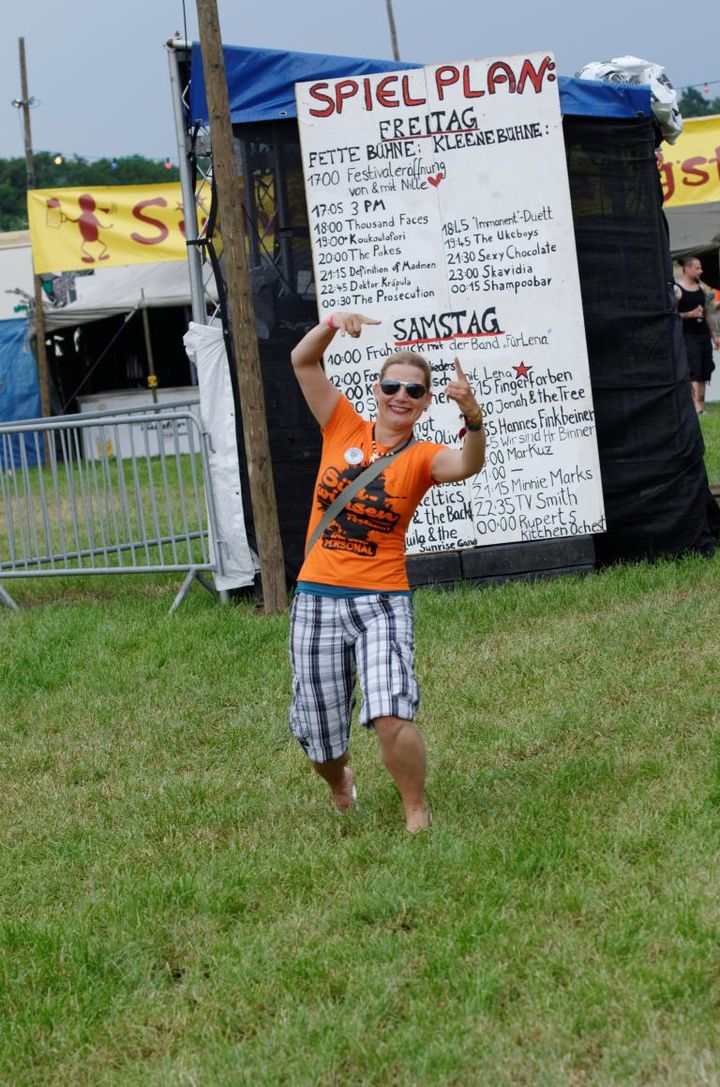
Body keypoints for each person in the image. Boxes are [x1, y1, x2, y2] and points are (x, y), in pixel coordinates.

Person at [288, 311, 486, 832]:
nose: (401, 396)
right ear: (376, 390)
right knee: (320, 736)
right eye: (392, 386)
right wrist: (333, 323)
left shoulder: (423, 457)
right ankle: (338, 781)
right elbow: (303, 360)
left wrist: (473, 418)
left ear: (425, 402)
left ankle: (415, 809)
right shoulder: (342, 424)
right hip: (316, 597)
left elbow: (467, 465)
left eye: (414, 391)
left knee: (391, 711)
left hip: (381, 599)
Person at [674, 256, 720, 415]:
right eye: (697, 268)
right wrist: (689, 314)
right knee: (694, 371)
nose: (701, 271)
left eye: (701, 268)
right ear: (687, 269)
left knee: (705, 370)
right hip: (688, 337)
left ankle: (701, 407)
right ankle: (694, 407)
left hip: (703, 336)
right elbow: (671, 316)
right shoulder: (677, 290)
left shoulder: (700, 288)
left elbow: (708, 313)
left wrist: (715, 335)